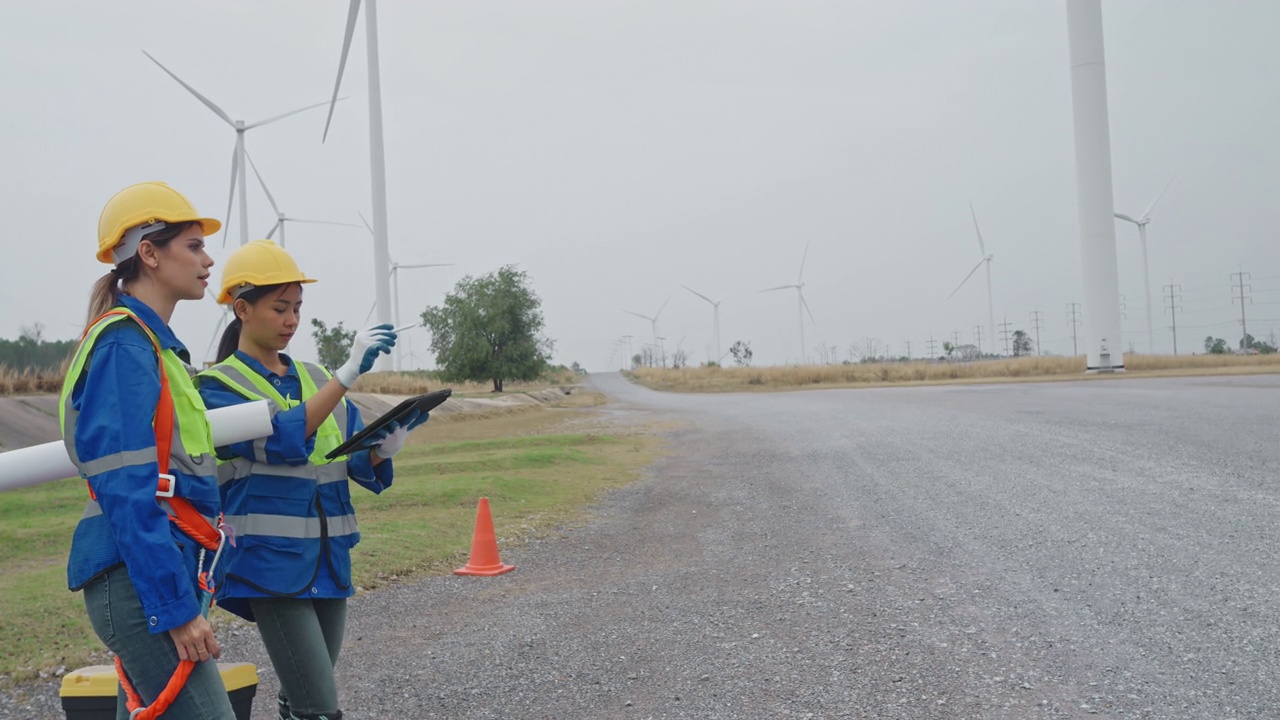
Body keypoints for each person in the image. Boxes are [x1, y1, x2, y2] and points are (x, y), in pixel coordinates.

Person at [195, 239, 428, 720]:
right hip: (269, 568)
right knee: (320, 706)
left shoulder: (315, 375)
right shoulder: (216, 388)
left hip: (328, 559)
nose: (292, 320)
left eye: (298, 308)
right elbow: (284, 438)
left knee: (305, 696)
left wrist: (383, 450)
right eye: (280, 308)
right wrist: (345, 375)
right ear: (241, 309)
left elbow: (348, 456)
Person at [61, 181, 237, 718]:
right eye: (194, 246)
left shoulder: (152, 346)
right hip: (139, 586)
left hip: (151, 575)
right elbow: (128, 491)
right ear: (149, 253)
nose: (209, 260)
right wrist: (175, 608)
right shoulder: (124, 346)